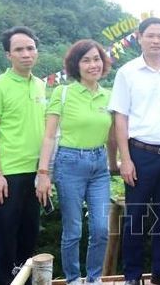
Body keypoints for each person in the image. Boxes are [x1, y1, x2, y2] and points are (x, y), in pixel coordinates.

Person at [110, 18, 160, 285]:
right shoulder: (127, 72)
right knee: (135, 218)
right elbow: (120, 118)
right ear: (139, 37)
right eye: (151, 35)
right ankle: (131, 275)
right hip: (139, 154)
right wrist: (125, 159)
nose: (156, 40)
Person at [36, 39, 117, 285]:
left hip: (99, 165)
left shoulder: (109, 96)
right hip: (69, 163)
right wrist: (43, 172)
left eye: (96, 59)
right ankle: (73, 279)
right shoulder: (63, 93)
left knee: (102, 229)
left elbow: (113, 136)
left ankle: (93, 279)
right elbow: (49, 136)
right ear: (76, 65)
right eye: (86, 60)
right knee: (73, 229)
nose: (93, 65)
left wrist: (115, 163)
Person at [0, 26, 46, 285]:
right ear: (8, 54)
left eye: (30, 48)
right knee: (6, 234)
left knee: (30, 232)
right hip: (8, 174)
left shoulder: (41, 85)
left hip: (36, 173)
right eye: (19, 49)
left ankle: (26, 281)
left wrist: (45, 171)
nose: (26, 54)